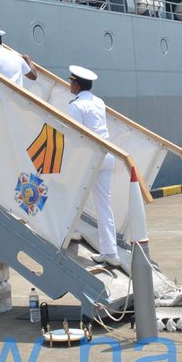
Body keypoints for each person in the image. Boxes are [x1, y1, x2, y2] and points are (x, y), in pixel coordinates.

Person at [67, 65, 117, 267]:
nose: (70, 85)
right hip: (107, 154)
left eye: (71, 82)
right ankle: (110, 252)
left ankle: (69, 233)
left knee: (70, 196)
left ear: (77, 85)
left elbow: (76, 134)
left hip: (91, 158)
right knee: (104, 205)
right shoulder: (99, 102)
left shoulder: (76, 105)